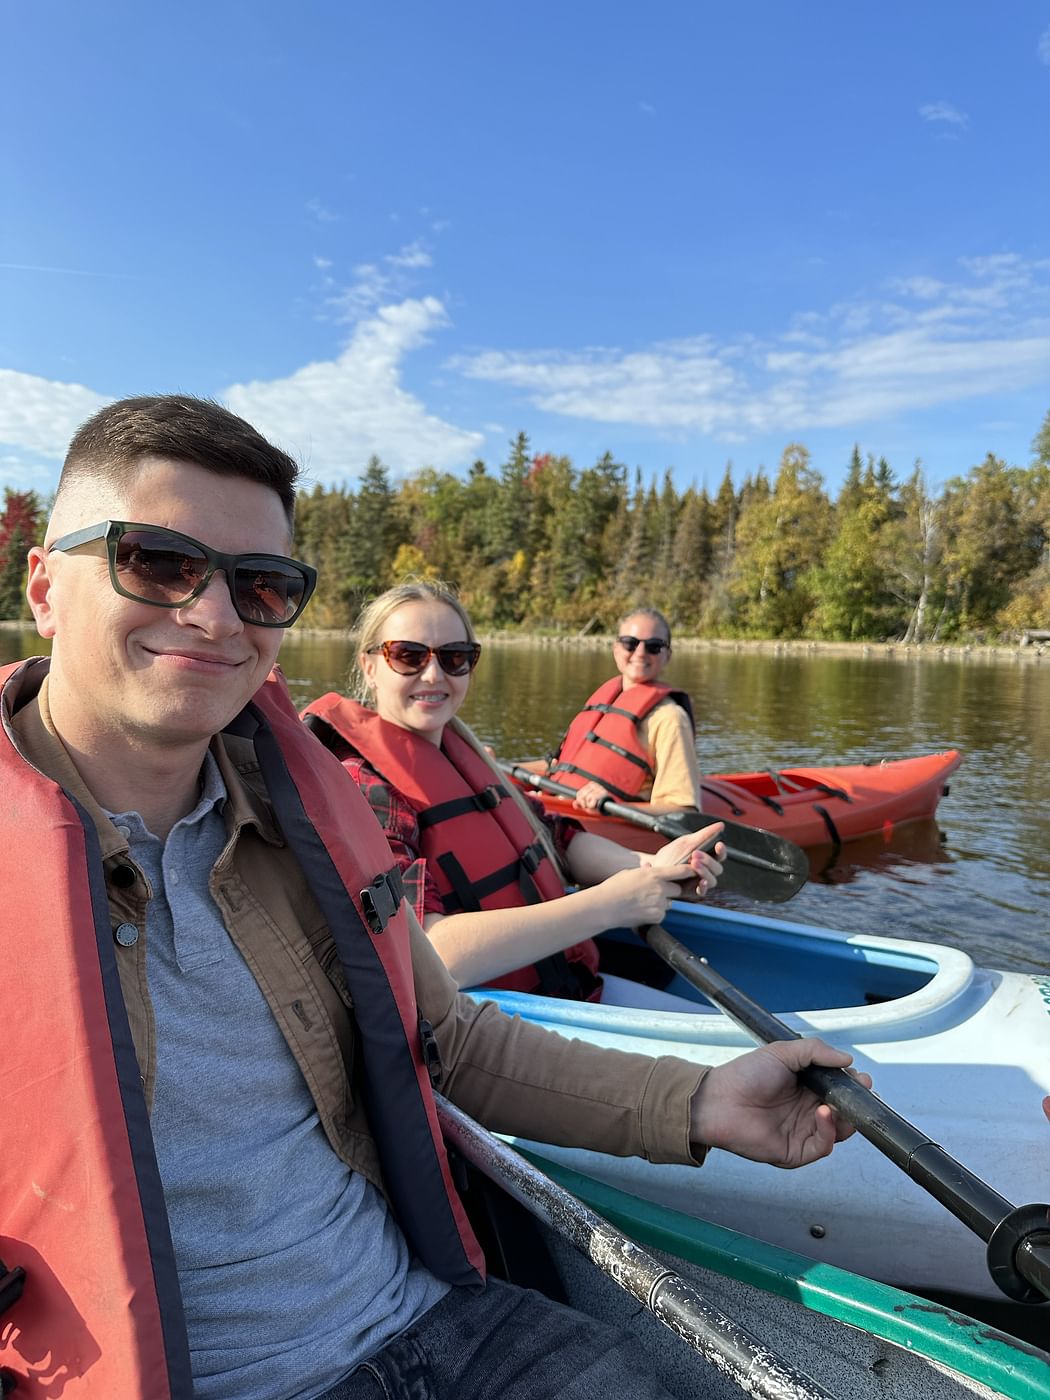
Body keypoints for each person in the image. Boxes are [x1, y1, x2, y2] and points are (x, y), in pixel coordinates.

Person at [1, 394, 868, 1400]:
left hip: (441, 1321)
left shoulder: (302, 826)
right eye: (157, 561)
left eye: (262, 583)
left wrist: (705, 1098)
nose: (213, 614)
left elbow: (445, 1038)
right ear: (45, 585)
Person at [303, 584, 721, 1006]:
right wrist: (611, 905)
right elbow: (427, 953)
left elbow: (556, 837)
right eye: (408, 655)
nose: (433, 675)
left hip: (570, 991)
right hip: (485, 1026)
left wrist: (653, 868)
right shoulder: (363, 785)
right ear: (370, 666)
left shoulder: (465, 756)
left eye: (454, 657)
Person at [542, 606, 702, 815]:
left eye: (654, 646)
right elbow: (560, 765)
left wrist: (612, 806)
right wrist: (490, 762)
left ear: (667, 655)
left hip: (603, 822)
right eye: (630, 643)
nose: (640, 653)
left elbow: (683, 810)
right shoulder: (605, 702)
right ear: (616, 648)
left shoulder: (670, 718)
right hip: (556, 804)